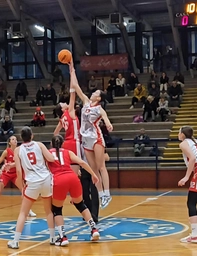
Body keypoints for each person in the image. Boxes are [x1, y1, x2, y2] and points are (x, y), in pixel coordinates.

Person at [70, 61, 113, 209]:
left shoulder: (100, 109)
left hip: (96, 137)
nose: (93, 92)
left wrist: (108, 123)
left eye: (96, 93)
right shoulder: (86, 102)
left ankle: (107, 193)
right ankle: (101, 195)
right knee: (93, 169)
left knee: (101, 167)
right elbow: (76, 87)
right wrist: (71, 69)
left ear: (99, 98)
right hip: (85, 139)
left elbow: (106, 118)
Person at [7, 127, 55, 249]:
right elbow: (51, 158)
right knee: (48, 210)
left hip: (32, 182)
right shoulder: (39, 145)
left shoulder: (18, 150)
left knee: (23, 212)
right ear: (32, 136)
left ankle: (15, 241)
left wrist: (22, 186)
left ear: (21, 138)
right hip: (45, 179)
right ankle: (53, 238)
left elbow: (18, 170)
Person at [47, 135, 100, 246]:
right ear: (63, 143)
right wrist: (93, 175)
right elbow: (82, 163)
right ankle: (94, 229)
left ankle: (63, 237)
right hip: (72, 177)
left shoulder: (48, 153)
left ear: (52, 144)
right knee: (81, 205)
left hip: (58, 179)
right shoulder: (68, 152)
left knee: (57, 209)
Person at [0, 136, 36, 219]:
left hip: (15, 174)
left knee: (24, 191)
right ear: (9, 142)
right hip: (6, 173)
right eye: (13, 139)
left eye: (16, 139)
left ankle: (28, 210)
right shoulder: (6, 152)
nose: (15, 140)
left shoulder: (19, 151)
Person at [53, 67, 81, 174]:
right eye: (62, 104)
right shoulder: (69, 111)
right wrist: (72, 74)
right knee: (75, 172)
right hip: (74, 142)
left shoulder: (61, 119)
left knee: (72, 170)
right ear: (62, 108)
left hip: (66, 144)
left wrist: (59, 143)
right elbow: (73, 93)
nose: (64, 103)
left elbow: (55, 133)